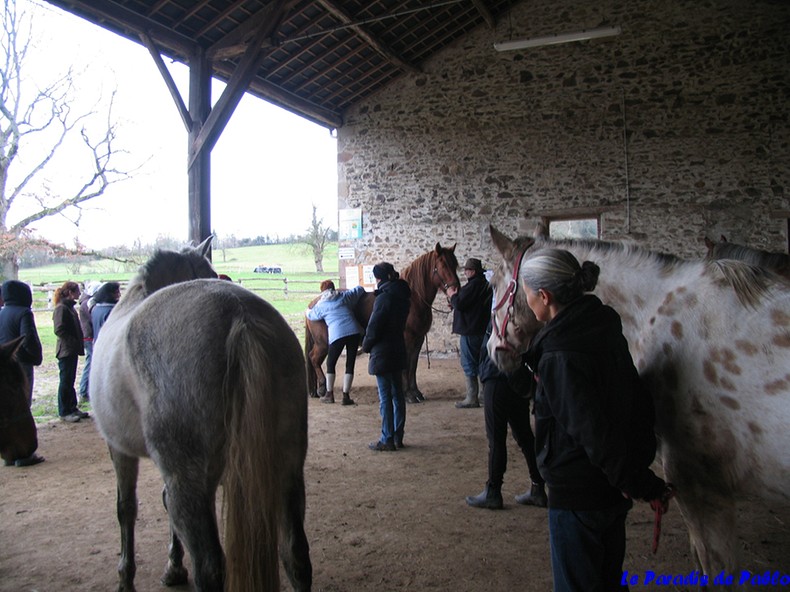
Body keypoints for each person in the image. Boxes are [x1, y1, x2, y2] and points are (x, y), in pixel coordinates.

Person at [520, 248, 673, 592]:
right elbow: (625, 398)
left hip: (579, 493)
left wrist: (638, 483)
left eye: (527, 294)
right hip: (610, 490)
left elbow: (591, 430)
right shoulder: (600, 325)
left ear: (544, 296)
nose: (526, 301)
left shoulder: (560, 353)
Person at [465, 320, 547, 510]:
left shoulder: (507, 309)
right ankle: (537, 487)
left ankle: (493, 491)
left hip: (497, 376)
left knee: (496, 437)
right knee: (524, 435)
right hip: (515, 378)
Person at [362, 262, 411, 451]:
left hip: (383, 352)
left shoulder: (383, 299)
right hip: (398, 348)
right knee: (398, 395)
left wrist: (366, 345)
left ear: (378, 278)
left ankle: (387, 438)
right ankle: (398, 436)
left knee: (385, 397)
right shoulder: (403, 296)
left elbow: (374, 327)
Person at [306, 279, 367, 405]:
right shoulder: (345, 297)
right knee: (350, 364)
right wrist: (345, 290)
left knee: (331, 363)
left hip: (337, 335)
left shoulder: (321, 305)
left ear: (322, 292)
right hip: (354, 332)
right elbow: (359, 289)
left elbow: (311, 315)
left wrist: (307, 310)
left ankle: (329, 394)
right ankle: (346, 396)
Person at [446, 257, 492, 408]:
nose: (465, 272)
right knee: (481, 362)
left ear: (472, 271)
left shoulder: (473, 286)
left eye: (467, 270)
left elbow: (460, 303)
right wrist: (455, 301)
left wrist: (452, 295)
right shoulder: (485, 284)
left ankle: (472, 397)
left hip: (470, 330)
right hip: (480, 329)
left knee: (469, 363)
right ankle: (484, 395)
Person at [0, 280, 43, 406]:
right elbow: (28, 339)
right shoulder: (24, 313)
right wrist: (35, 357)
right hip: (22, 361)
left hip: (5, 362)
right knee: (24, 397)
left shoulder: (2, 312)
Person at [52, 281, 87, 423]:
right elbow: (59, 329)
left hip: (71, 350)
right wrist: (72, 342)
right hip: (66, 350)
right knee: (65, 381)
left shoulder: (69, 308)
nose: (79, 294)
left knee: (70, 380)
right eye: (77, 291)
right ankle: (64, 411)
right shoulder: (61, 308)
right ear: (70, 292)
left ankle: (72, 407)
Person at [77, 280, 101, 404]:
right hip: (89, 337)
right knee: (90, 363)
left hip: (88, 336)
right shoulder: (88, 304)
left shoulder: (86, 303)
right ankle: (83, 391)